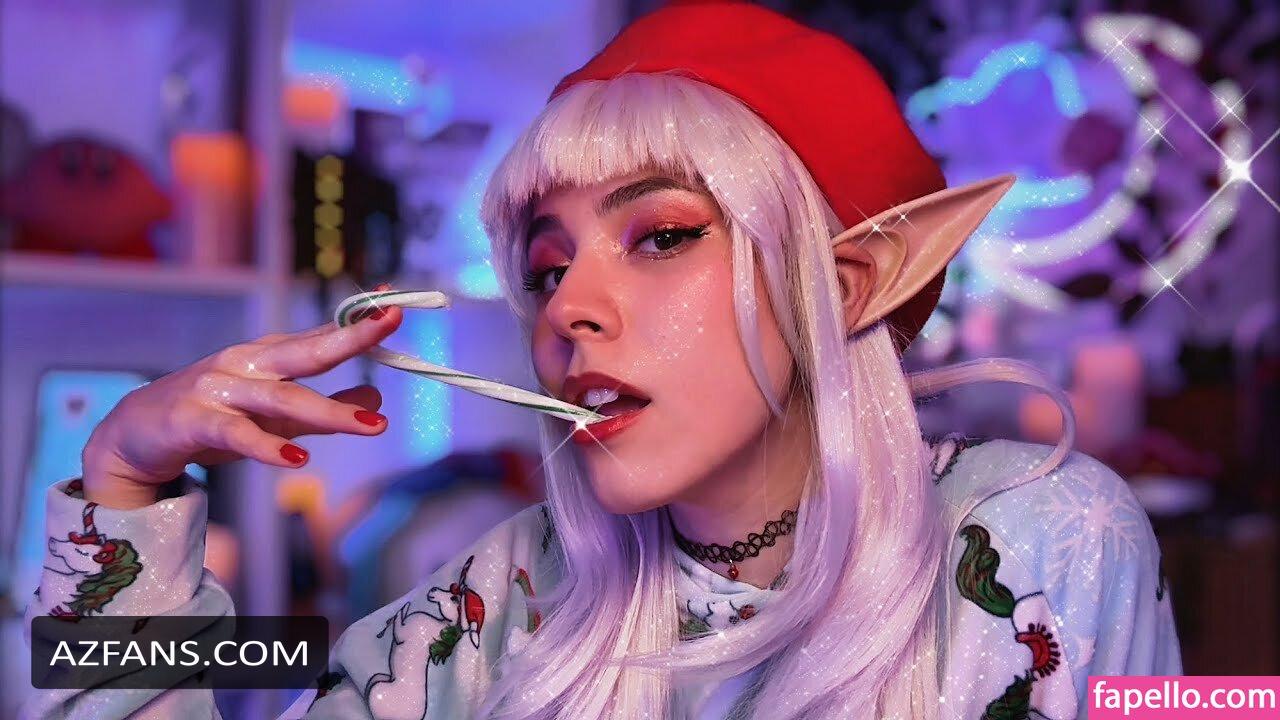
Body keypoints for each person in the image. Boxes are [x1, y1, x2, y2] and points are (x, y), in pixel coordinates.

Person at [23, 3, 1181, 719]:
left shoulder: (1049, 534)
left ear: (836, 288)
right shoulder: (498, 604)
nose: (566, 307)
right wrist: (123, 484)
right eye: (544, 265)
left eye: (661, 235)